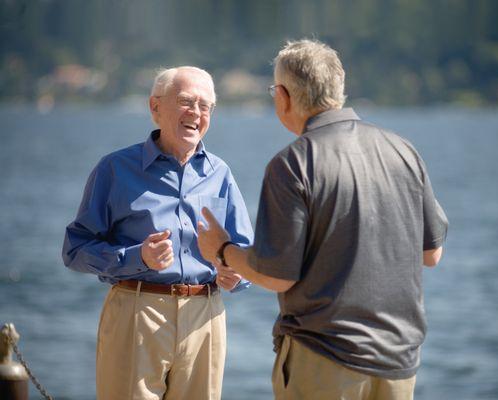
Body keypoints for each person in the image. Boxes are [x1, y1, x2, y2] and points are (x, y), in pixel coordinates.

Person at [197, 39, 449, 400]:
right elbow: (431, 254)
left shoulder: (293, 163)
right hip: (399, 360)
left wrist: (222, 249)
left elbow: (276, 275)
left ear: (283, 96)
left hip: (324, 360)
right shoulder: (403, 150)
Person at [62, 66, 253, 400]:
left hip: (205, 316)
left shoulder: (220, 173)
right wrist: (137, 257)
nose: (196, 112)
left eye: (205, 106)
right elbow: (75, 250)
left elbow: (246, 250)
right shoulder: (115, 169)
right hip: (137, 312)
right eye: (185, 101)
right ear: (155, 107)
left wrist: (235, 273)